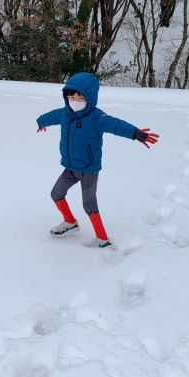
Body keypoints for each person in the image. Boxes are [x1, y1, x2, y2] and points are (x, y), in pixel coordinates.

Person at [36, 72, 159, 248]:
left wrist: (136, 133)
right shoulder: (65, 113)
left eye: (80, 96)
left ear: (90, 97)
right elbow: (50, 117)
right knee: (56, 194)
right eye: (71, 96)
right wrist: (41, 122)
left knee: (89, 204)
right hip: (70, 167)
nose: (75, 100)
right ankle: (70, 222)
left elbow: (116, 125)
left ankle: (102, 239)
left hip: (88, 170)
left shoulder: (97, 118)